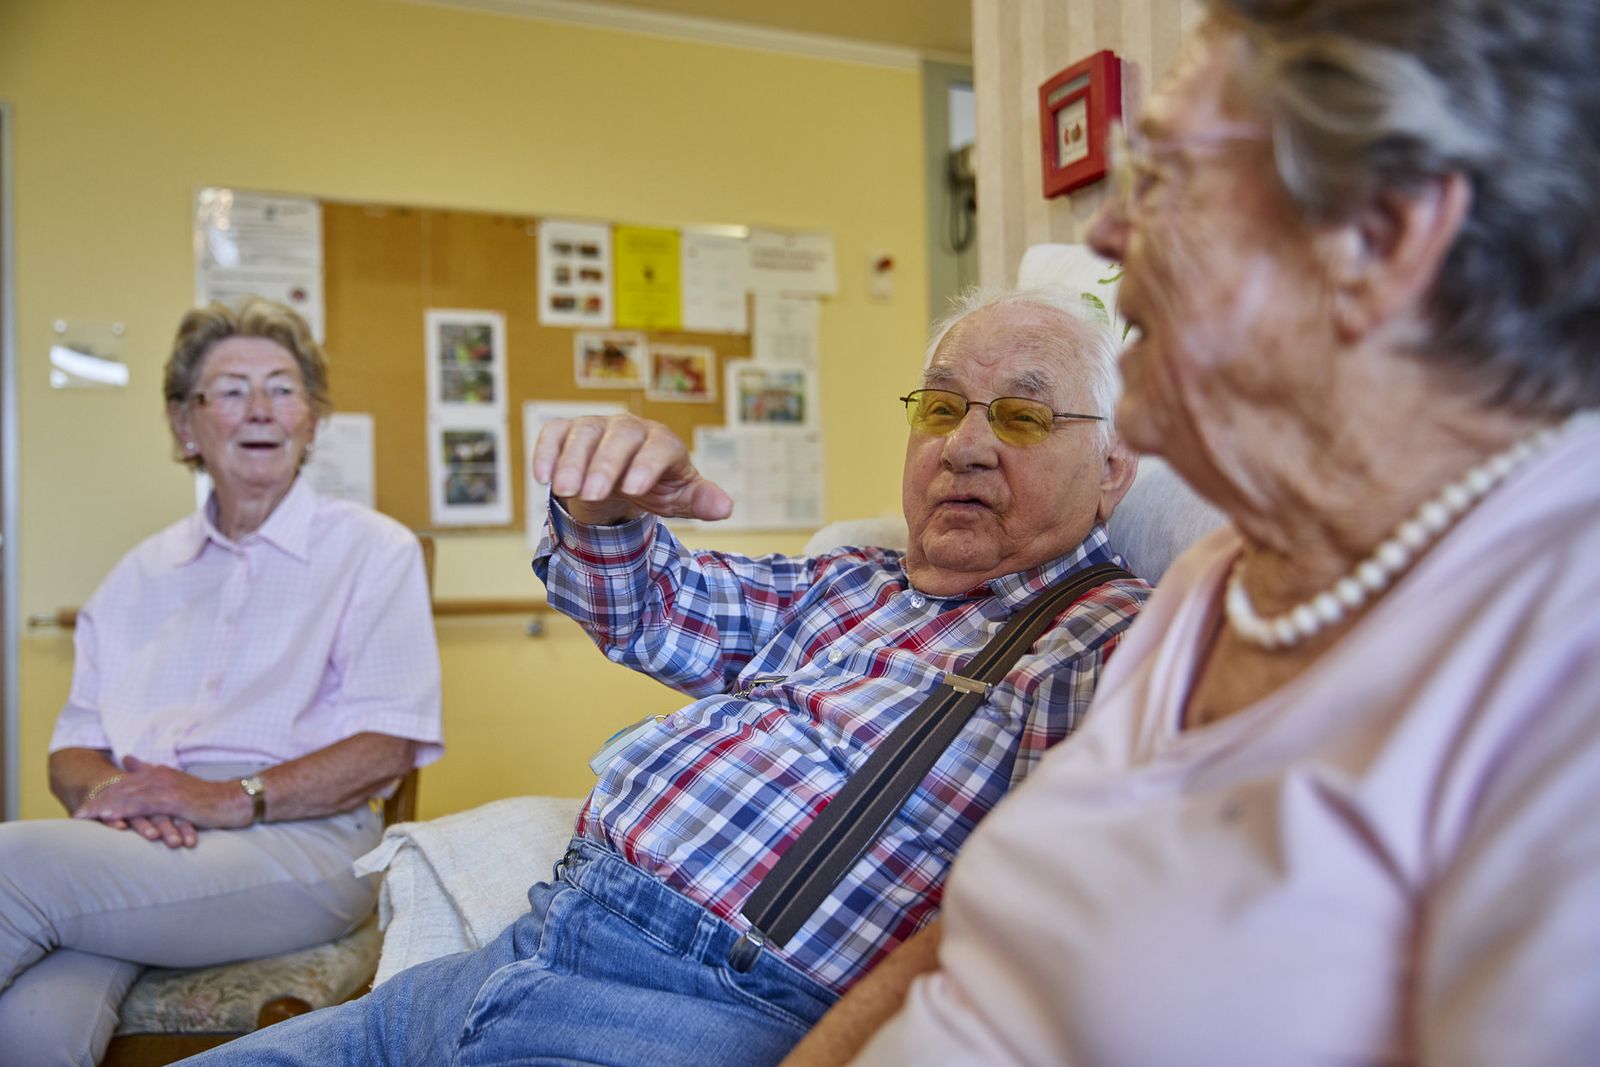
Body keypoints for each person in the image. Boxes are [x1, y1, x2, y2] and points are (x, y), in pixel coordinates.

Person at [786, 3, 1600, 1064]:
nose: (1103, 232)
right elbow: (983, 936)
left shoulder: (1556, 658)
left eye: (1165, 178)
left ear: (1382, 237)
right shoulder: (1222, 571)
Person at [185, 285, 1149, 1065]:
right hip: (529, 950)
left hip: (698, 1006)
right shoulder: (850, 580)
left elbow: (1083, 918)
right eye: (941, 407)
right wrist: (606, 512)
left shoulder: (1106, 643)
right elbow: (648, 604)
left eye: (1023, 414)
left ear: (1113, 469)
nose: (965, 443)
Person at [0, 299, 443, 1065]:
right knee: (33, 1020)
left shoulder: (373, 551)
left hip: (301, 842)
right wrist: (121, 800)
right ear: (184, 424)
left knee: (11, 867)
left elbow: (386, 747)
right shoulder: (138, 574)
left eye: (282, 387)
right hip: (137, 836)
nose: (260, 409)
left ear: (311, 418)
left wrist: (217, 798)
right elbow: (72, 747)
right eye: (231, 390)